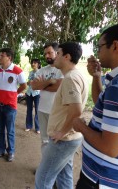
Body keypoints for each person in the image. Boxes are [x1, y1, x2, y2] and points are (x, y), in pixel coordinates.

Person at [73, 23, 118, 189]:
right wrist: (97, 77)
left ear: (115, 46)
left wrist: (80, 126)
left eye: (100, 46)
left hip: (100, 179)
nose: (98, 52)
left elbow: (110, 148)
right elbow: (103, 107)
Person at [35, 42, 88, 189]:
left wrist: (61, 132)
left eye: (58, 53)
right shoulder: (76, 75)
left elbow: (76, 110)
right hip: (70, 139)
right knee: (64, 177)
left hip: (64, 140)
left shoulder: (70, 78)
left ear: (67, 56)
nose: (55, 56)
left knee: (43, 179)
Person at [0, 48, 26, 162]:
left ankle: (11, 151)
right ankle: (0, 149)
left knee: (10, 130)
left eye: (2, 55)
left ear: (9, 58)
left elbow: (23, 85)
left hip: (10, 105)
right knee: (0, 129)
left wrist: (14, 94)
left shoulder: (17, 70)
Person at [31, 42, 63, 152]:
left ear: (57, 53)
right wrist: (49, 81)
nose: (47, 56)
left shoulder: (62, 69)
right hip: (42, 110)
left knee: (56, 141)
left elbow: (58, 87)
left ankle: (54, 168)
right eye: (45, 54)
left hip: (56, 111)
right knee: (44, 140)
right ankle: (45, 167)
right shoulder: (42, 70)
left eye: (49, 53)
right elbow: (34, 86)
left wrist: (42, 85)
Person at [25, 58, 41, 133]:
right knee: (29, 110)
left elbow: (40, 83)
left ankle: (38, 128)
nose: (33, 64)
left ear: (38, 64)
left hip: (37, 93)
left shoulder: (41, 72)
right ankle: (28, 126)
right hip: (29, 93)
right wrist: (29, 82)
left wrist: (33, 82)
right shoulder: (31, 72)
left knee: (37, 110)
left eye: (35, 63)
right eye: (32, 63)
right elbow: (28, 83)